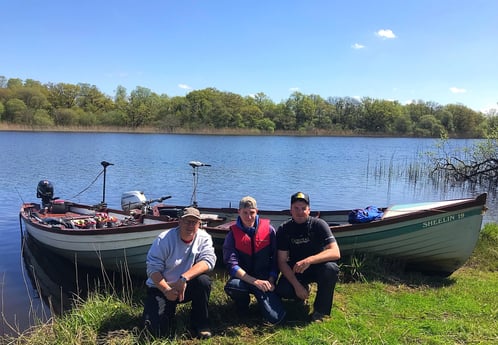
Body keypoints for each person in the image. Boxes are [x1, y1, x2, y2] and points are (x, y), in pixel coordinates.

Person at [142, 207, 217, 339]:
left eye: (194, 222)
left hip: (184, 286)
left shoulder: (204, 237)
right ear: (179, 222)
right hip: (161, 288)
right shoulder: (164, 239)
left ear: (199, 224)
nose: (190, 225)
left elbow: (208, 261)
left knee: (203, 281)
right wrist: (166, 290)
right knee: (155, 331)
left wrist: (184, 278)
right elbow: (153, 270)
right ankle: (167, 314)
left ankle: (201, 324)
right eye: (187, 221)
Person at [275, 192, 340, 322]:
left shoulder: (319, 224)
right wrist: (296, 286)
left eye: (303, 208)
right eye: (296, 208)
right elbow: (282, 262)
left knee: (331, 269)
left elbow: (335, 252)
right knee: (283, 290)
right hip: (297, 270)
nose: (300, 212)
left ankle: (320, 311)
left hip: (318, 268)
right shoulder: (284, 229)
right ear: (290, 210)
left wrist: (309, 260)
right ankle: (301, 293)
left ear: (309, 210)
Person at [222, 196, 286, 324]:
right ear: (238, 212)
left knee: (276, 319)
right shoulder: (232, 234)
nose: (248, 216)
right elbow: (232, 265)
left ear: (257, 211)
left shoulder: (269, 230)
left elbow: (275, 260)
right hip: (244, 279)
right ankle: (243, 305)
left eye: (252, 212)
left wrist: (271, 280)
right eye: (245, 213)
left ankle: (266, 301)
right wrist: (255, 282)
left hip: (265, 279)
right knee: (232, 286)